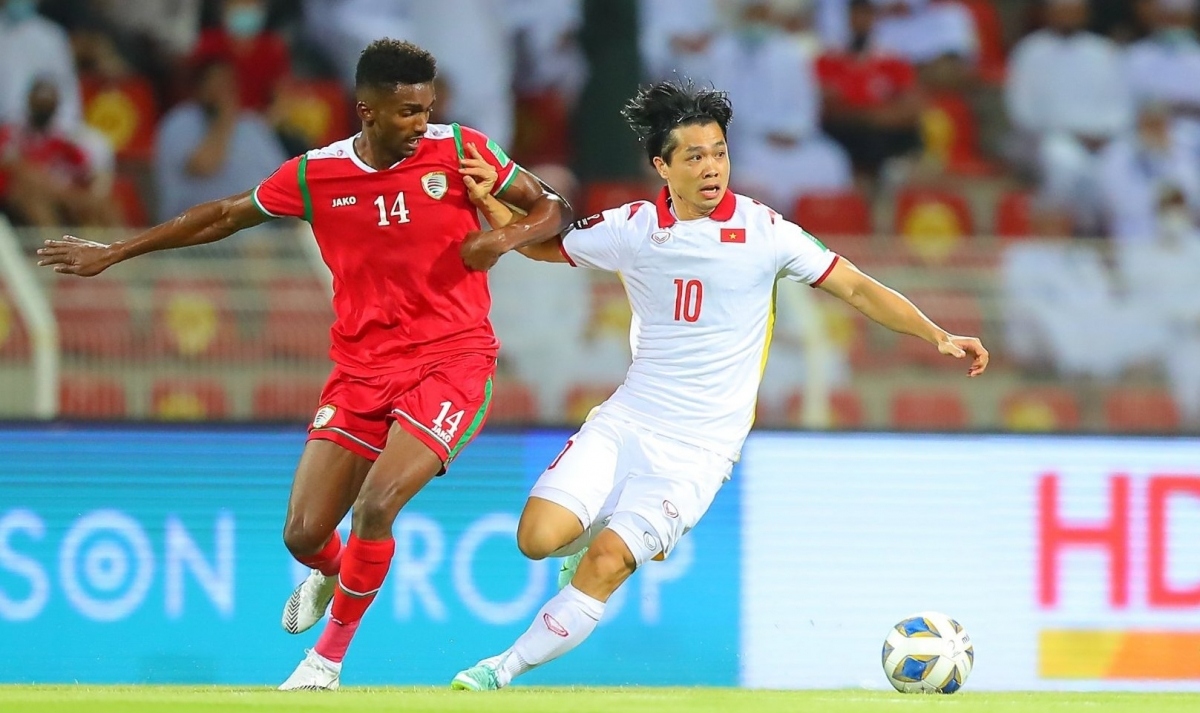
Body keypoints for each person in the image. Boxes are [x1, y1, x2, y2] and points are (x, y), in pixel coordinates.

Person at [36, 38, 572, 690]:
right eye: (404, 112)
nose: (418, 125)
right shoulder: (316, 174)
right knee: (302, 533)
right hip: (359, 370)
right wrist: (115, 251)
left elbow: (552, 207)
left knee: (377, 506)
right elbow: (224, 215)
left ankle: (325, 661)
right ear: (366, 111)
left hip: (451, 361)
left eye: (425, 109)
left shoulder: (460, 149)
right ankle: (334, 570)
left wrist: (500, 236)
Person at [450, 80, 989, 691]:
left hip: (699, 451)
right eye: (695, 157)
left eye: (720, 153)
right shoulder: (632, 225)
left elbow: (858, 287)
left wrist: (938, 335)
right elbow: (547, 248)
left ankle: (501, 669)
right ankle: (597, 534)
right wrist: (494, 209)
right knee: (536, 541)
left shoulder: (766, 231)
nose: (712, 168)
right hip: (627, 420)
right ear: (663, 165)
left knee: (605, 565)